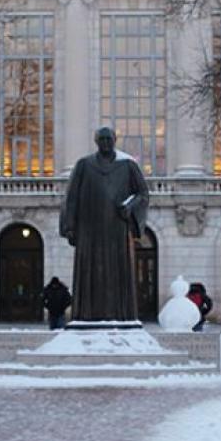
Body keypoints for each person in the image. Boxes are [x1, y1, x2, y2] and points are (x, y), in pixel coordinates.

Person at [59, 126, 150, 322]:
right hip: (89, 229)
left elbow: (143, 193)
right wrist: (70, 227)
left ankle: (121, 315)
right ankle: (87, 316)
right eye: (102, 139)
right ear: (96, 141)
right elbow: (71, 197)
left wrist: (130, 207)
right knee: (90, 273)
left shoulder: (127, 166)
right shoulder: (84, 165)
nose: (106, 143)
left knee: (117, 272)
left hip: (117, 228)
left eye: (109, 139)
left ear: (115, 140)